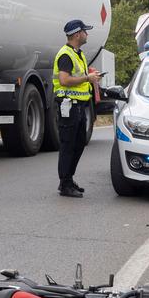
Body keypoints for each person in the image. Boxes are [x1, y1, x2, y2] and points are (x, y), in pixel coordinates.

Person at [54, 19, 100, 198]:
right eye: (85, 31)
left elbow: (79, 77)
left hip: (79, 105)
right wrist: (88, 79)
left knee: (79, 143)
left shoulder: (78, 53)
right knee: (68, 145)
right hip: (68, 105)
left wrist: (91, 78)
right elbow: (64, 80)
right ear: (77, 34)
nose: (87, 34)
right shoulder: (66, 54)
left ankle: (68, 178)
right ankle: (65, 184)